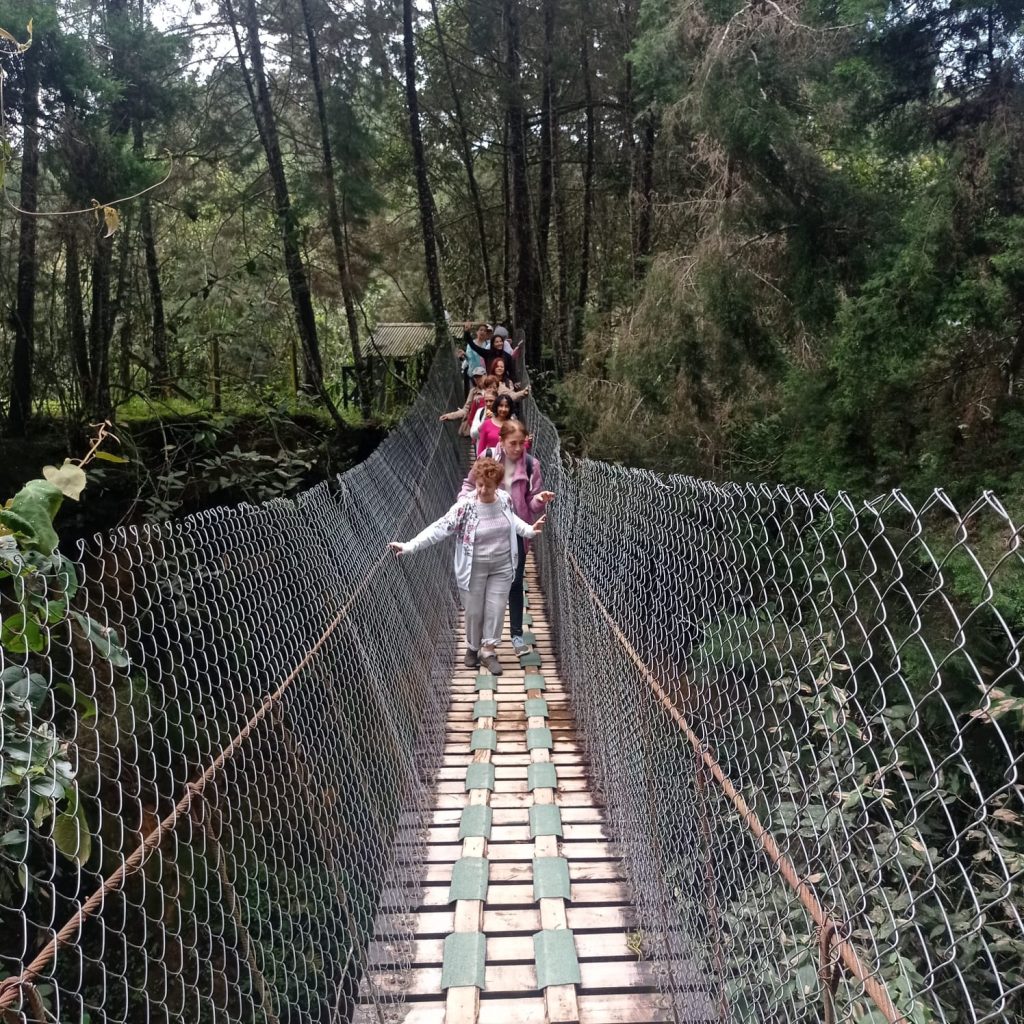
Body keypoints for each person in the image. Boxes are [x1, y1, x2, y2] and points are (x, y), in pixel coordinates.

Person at [390, 457, 544, 675]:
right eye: (479, 484)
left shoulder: (505, 500)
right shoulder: (465, 507)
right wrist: (410, 546)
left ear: (497, 485)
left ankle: (488, 651)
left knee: (496, 608)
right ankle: (472, 646)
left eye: (488, 486)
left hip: (502, 566)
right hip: (474, 568)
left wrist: (529, 530)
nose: (482, 490)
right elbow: (439, 528)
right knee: (474, 611)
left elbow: (512, 520)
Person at [460, 419, 554, 657]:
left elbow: (531, 503)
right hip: (484, 528)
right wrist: (463, 506)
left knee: (515, 583)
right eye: (513, 443)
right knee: (481, 586)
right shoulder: (488, 456)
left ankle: (516, 635)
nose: (517, 448)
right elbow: (469, 484)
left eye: (521, 443)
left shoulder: (532, 465)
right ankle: (480, 641)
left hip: (515, 530)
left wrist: (540, 499)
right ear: (501, 441)